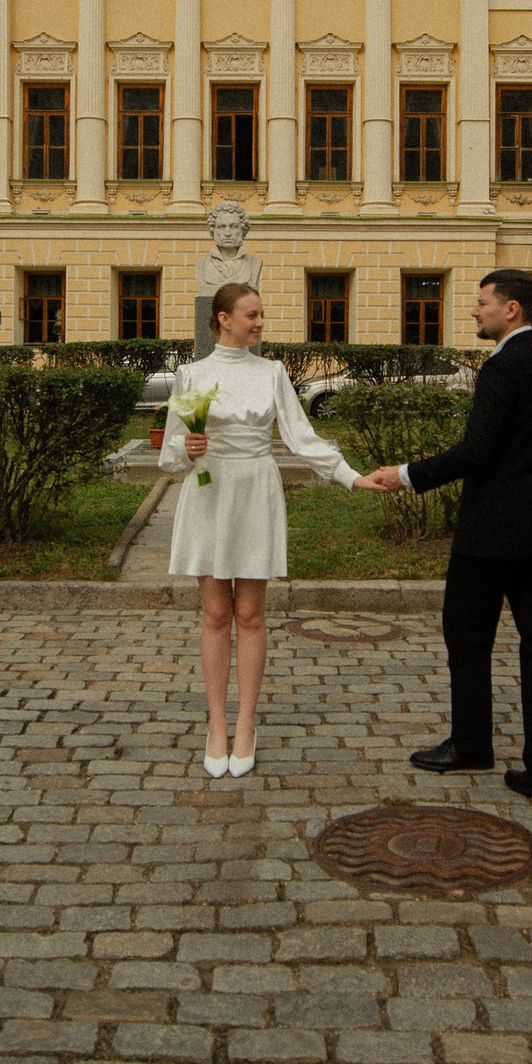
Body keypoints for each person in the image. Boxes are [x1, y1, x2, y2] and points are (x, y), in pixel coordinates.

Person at [355, 268, 532, 810]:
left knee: (466, 636)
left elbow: (477, 450)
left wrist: (406, 474)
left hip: (491, 533)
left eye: (482, 302)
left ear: (511, 309)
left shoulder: (502, 367)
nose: (474, 311)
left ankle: (472, 744)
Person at [160, 281, 361, 777]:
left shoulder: (271, 372)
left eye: (261, 314)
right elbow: (169, 454)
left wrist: (350, 476)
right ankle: (216, 725)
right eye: (251, 315)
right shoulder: (191, 375)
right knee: (214, 613)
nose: (260, 323)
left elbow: (301, 437)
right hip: (209, 491)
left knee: (250, 614)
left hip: (254, 491)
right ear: (223, 319)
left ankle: (246, 724)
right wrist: (186, 448)